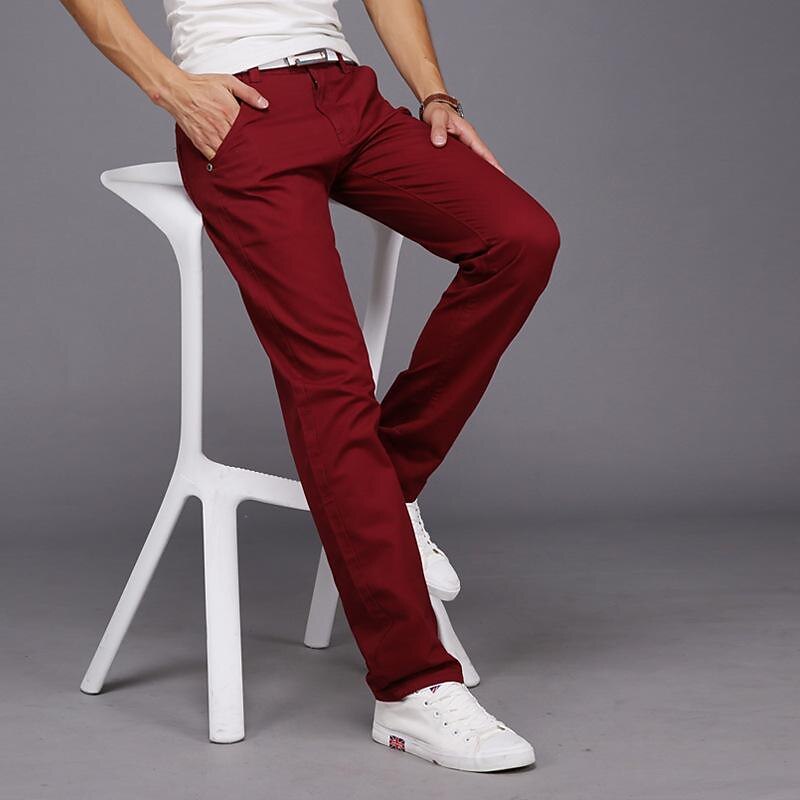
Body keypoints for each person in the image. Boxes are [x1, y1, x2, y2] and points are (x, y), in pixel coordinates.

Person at [60, 0, 560, 773]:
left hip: (351, 97)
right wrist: (171, 87)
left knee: (521, 240)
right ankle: (411, 686)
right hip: (241, 110)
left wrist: (434, 93)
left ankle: (387, 484)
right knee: (331, 381)